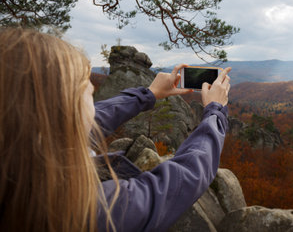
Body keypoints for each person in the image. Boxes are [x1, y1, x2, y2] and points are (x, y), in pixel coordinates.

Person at [0, 27, 231, 232]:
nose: (92, 86)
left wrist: (148, 94)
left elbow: (95, 118)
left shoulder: (21, 161)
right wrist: (215, 111)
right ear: (58, 111)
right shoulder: (94, 210)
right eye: (82, 83)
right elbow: (184, 177)